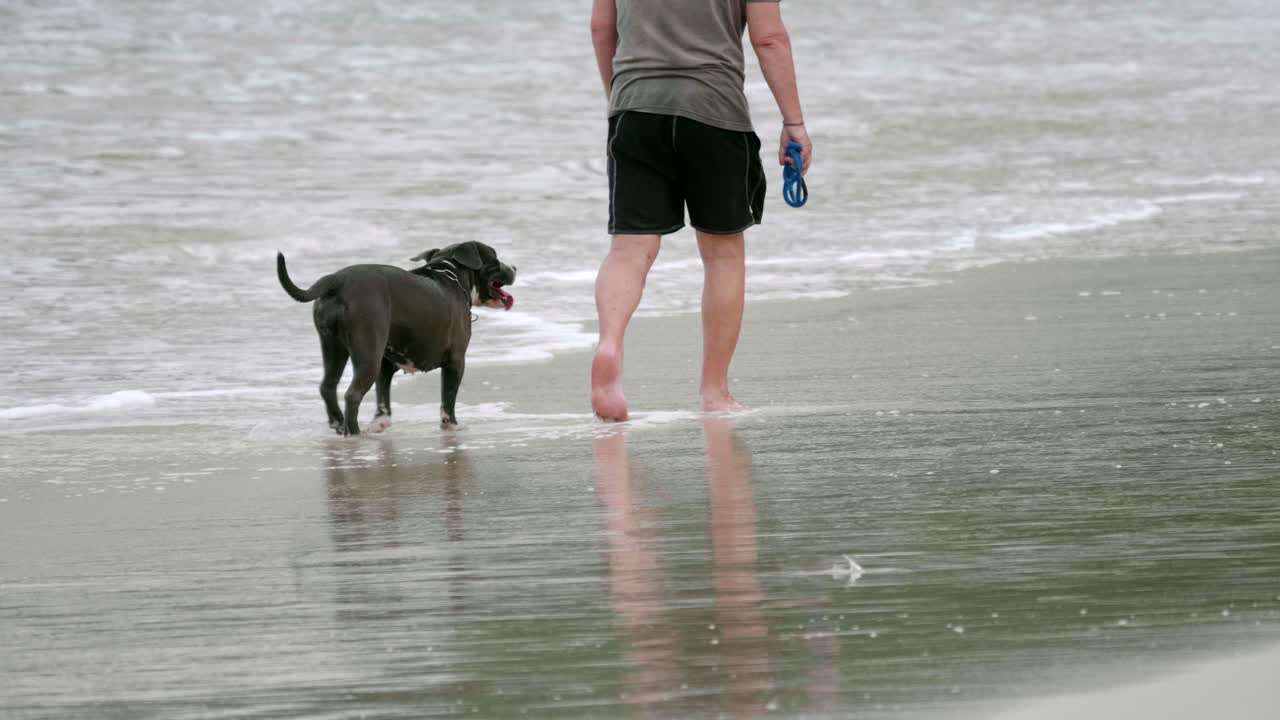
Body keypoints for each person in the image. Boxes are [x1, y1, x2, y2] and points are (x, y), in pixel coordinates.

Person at [589, 0, 812, 421]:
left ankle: (610, 343)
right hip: (715, 112)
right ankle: (715, 391)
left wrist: (617, 100)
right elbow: (770, 37)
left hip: (635, 108)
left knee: (629, 251)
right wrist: (793, 122)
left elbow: (602, 29)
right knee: (723, 255)